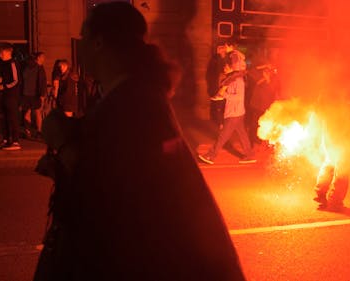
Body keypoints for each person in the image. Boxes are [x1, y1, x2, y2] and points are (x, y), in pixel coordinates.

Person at [33, 2, 246, 281]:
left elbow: (110, 192)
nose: (79, 46)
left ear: (99, 43)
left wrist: (63, 143)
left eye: (83, 36)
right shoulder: (132, 94)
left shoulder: (133, 101)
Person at [198, 55, 255, 165]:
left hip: (234, 113)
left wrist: (224, 94)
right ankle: (249, 155)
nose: (224, 68)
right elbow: (229, 95)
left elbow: (238, 97)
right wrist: (219, 96)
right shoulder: (231, 79)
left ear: (231, 67)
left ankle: (211, 155)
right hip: (237, 112)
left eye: (226, 66)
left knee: (223, 136)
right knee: (242, 134)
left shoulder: (238, 81)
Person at [0, 43, 21, 150]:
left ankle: (15, 142)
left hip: (11, 95)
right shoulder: (3, 64)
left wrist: (4, 86)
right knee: (5, 118)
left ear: (8, 52)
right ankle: (7, 140)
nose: (0, 55)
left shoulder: (12, 63)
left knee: (12, 118)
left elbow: (16, 80)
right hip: (4, 95)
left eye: (1, 52)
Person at [21, 52, 47, 138]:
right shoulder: (39, 68)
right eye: (42, 57)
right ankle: (39, 131)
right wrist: (42, 95)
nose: (44, 59)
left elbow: (23, 80)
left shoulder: (25, 67)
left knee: (27, 112)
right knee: (37, 112)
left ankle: (28, 131)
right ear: (37, 58)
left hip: (26, 93)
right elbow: (42, 82)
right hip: (35, 94)